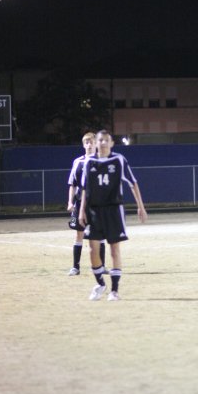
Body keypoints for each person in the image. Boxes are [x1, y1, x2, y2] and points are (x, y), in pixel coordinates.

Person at [78, 129, 147, 301]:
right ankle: (100, 284)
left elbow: (133, 183)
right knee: (93, 250)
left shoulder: (119, 160)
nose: (102, 143)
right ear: (96, 142)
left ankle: (114, 291)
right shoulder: (89, 162)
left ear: (111, 143)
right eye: (100, 140)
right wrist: (81, 211)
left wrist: (141, 206)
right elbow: (85, 189)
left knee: (114, 250)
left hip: (113, 210)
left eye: (106, 140)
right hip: (94, 210)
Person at [67, 132, 106, 275]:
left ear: (96, 144)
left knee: (100, 235)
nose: (89, 145)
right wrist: (70, 202)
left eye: (92, 142)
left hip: (96, 204)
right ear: (84, 145)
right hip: (80, 205)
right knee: (79, 234)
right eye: (87, 142)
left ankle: (101, 267)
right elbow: (72, 184)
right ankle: (75, 267)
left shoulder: (102, 161)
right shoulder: (78, 162)